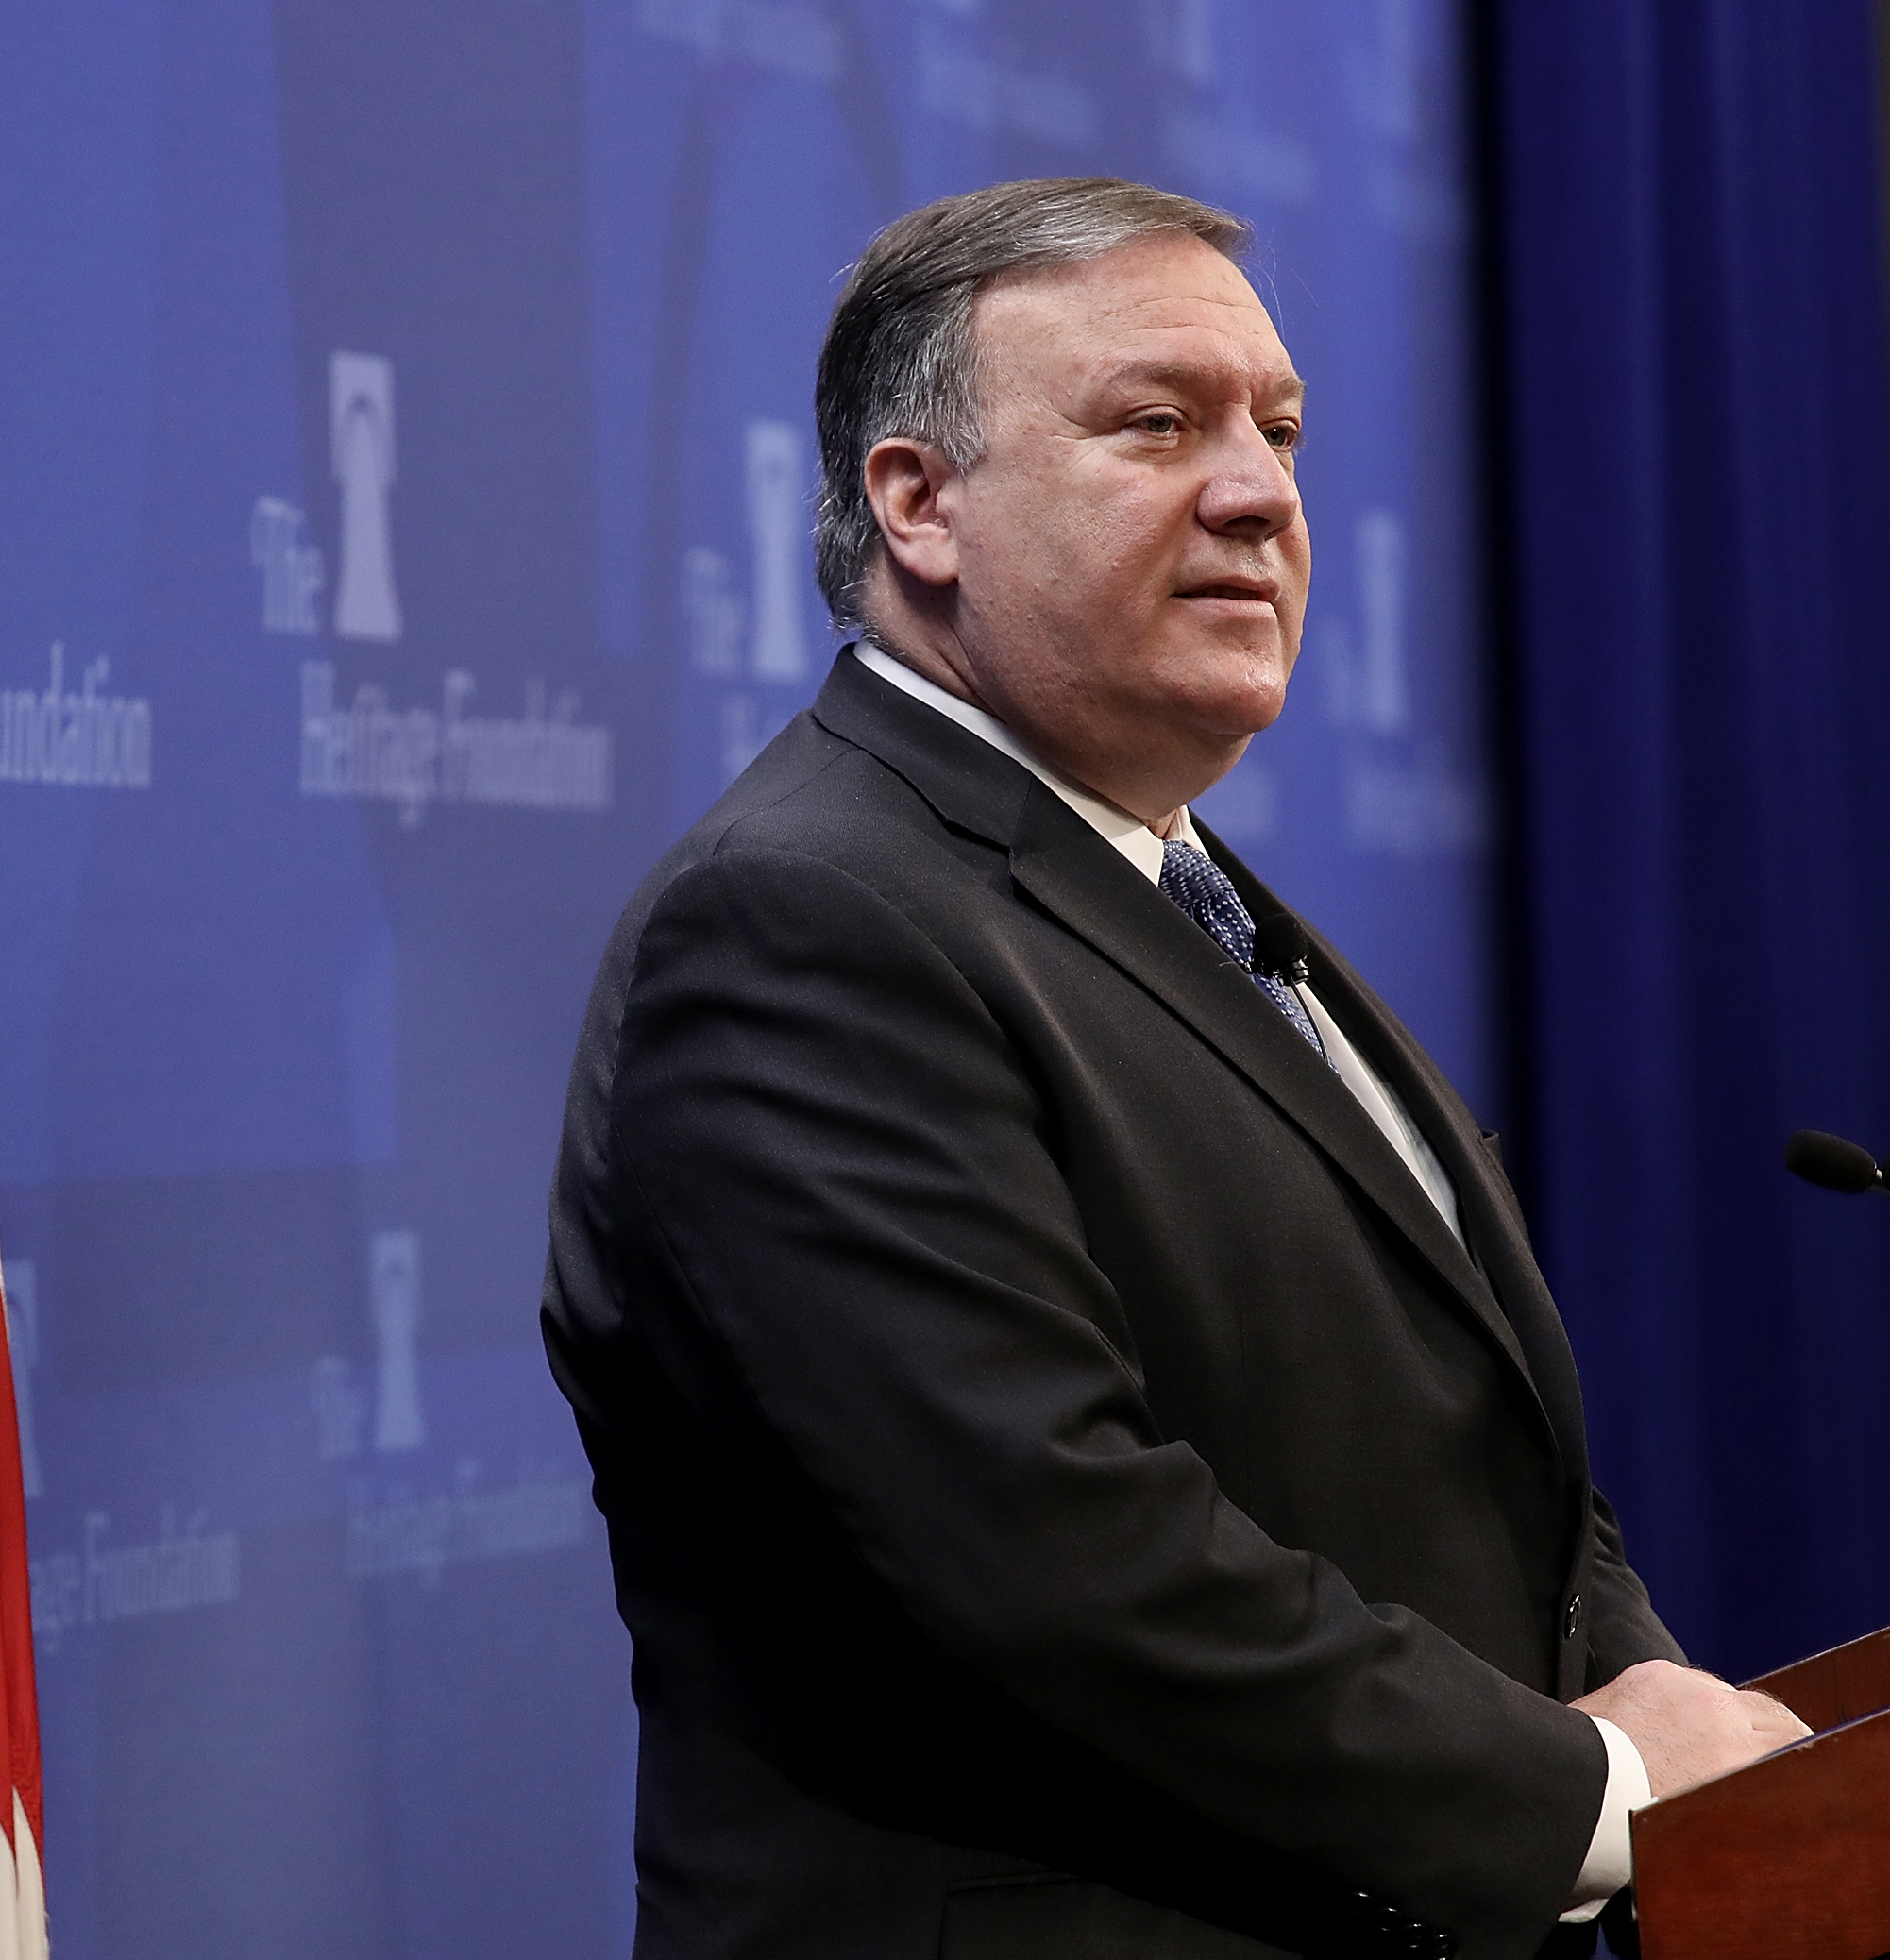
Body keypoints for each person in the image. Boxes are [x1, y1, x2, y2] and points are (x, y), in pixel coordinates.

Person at [541, 177, 1807, 1960]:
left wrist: (1667, 1718)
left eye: (1278, 430)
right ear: (921, 504)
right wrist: (1589, 1792)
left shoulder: (1181, 889)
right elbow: (1055, 1559)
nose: (1259, 492)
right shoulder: (805, 928)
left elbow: (1478, 1457)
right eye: (1158, 425)